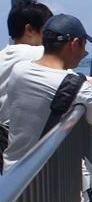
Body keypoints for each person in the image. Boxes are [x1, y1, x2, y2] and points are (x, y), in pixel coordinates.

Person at [1, 13, 92, 171]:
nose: (84, 53)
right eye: (84, 46)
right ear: (74, 43)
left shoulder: (20, 70)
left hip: (11, 171)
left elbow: (48, 94)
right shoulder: (79, 87)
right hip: (41, 175)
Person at [0, 0, 53, 172]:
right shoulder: (37, 53)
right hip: (22, 143)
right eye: (46, 31)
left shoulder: (2, 56)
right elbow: (68, 77)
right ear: (29, 29)